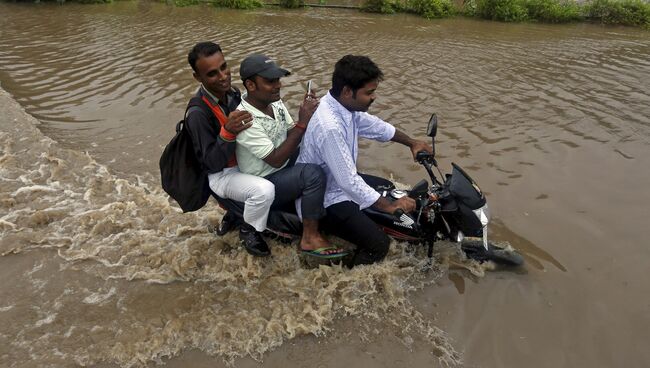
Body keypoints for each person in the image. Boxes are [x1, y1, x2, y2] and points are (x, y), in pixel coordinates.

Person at [297, 55, 433, 266]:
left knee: (386, 185)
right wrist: (390, 207)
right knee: (379, 244)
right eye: (369, 93)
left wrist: (411, 142)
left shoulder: (344, 106)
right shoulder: (330, 126)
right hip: (326, 197)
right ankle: (346, 284)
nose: (374, 97)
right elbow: (348, 181)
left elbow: (375, 126)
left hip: (335, 181)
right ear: (347, 92)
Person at [235, 54, 346, 259]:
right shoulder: (245, 118)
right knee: (312, 173)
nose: (278, 85)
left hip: (282, 168)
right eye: (270, 81)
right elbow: (275, 159)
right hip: (265, 180)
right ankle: (310, 237)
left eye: (278, 79)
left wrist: (309, 116)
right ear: (250, 85)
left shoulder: (274, 103)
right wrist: (303, 122)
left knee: (318, 154)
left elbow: (290, 133)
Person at [185, 42, 275, 257]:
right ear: (198, 77)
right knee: (264, 191)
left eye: (224, 67)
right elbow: (211, 163)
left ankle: (234, 215)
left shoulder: (233, 93)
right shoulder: (198, 113)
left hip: (243, 162)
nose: (223, 76)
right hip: (222, 174)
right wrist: (227, 132)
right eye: (213, 74)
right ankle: (248, 229)